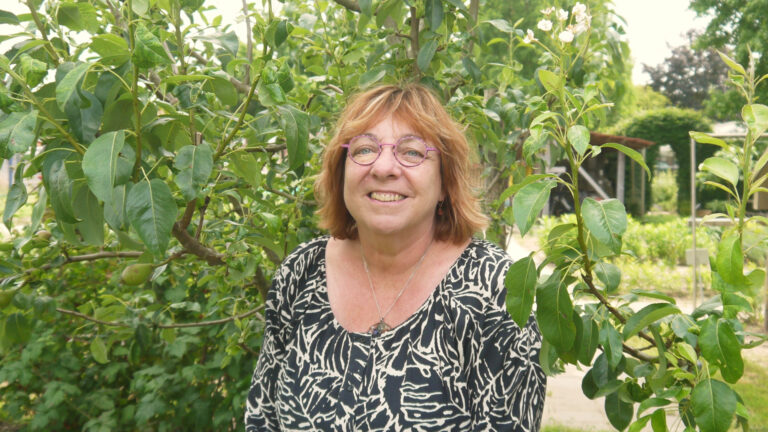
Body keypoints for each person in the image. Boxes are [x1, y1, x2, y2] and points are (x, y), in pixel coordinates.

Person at [245, 83, 546, 431]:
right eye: (364, 149)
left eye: (412, 153)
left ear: (445, 181)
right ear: (341, 170)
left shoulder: (496, 291)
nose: (384, 167)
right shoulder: (300, 274)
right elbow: (262, 418)